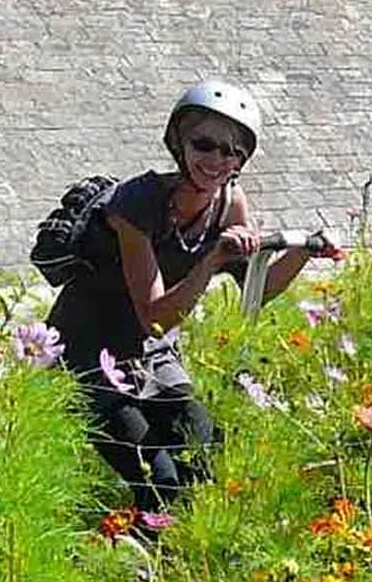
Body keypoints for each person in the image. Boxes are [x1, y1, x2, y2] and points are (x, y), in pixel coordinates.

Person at [42, 79, 326, 510]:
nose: (217, 160)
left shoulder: (230, 202)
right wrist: (211, 260)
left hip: (152, 355)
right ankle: (143, 556)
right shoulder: (135, 204)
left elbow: (256, 290)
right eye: (205, 145)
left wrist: (304, 252)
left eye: (232, 151)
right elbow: (154, 315)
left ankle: (179, 557)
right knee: (160, 478)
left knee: (205, 449)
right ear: (179, 143)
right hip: (88, 353)